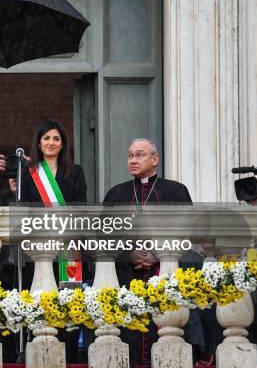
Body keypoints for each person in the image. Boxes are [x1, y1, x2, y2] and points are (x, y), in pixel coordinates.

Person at [0, 120, 89, 363]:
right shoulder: (29, 173)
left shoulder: (75, 171)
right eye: (46, 138)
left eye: (56, 138)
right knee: (39, 298)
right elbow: (24, 211)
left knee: (67, 302)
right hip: (37, 249)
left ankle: (67, 354)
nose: (51, 143)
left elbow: (80, 206)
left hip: (68, 247)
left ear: (63, 143)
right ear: (39, 142)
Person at [102, 137, 192, 367]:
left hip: (164, 275)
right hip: (126, 279)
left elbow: (189, 235)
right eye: (130, 155)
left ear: (155, 159)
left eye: (139, 155)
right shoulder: (115, 195)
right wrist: (128, 255)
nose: (133, 160)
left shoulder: (176, 191)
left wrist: (158, 255)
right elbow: (102, 240)